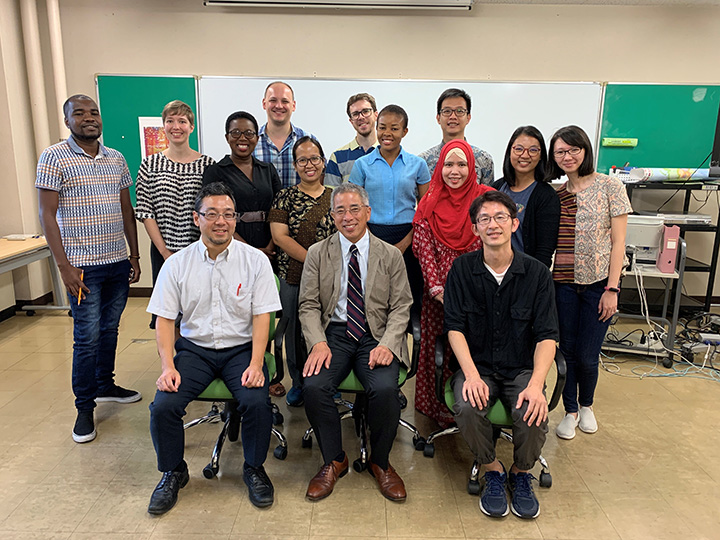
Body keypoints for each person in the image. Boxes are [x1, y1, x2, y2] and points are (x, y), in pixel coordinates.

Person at [146, 182, 281, 515]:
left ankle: (254, 468)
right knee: (163, 405)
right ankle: (173, 471)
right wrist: (168, 367)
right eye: (212, 214)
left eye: (228, 214)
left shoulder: (255, 261)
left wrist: (256, 363)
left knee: (256, 401)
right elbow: (164, 320)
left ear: (235, 219)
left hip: (241, 350)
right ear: (197, 218)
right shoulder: (177, 264)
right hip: (196, 351)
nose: (221, 221)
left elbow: (262, 316)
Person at [444, 190, 559, 519]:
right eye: (484, 219)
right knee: (467, 406)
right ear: (475, 229)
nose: (492, 225)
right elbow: (454, 328)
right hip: (477, 366)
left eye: (500, 218)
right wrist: (470, 375)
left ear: (514, 224)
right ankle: (492, 469)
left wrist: (536, 384)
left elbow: (548, 335)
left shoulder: (537, 274)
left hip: (521, 368)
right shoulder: (461, 270)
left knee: (532, 411)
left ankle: (521, 473)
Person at [36, 94, 142, 444]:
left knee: (109, 329)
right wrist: (63, 266)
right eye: (79, 113)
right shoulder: (54, 157)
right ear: (67, 120)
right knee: (86, 337)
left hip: (116, 262)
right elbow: (47, 215)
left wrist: (134, 255)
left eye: (93, 112)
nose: (89, 118)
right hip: (82, 268)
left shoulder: (116, 158)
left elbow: (126, 210)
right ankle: (84, 407)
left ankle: (105, 384)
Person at [298, 183, 412, 503]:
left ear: (367, 213)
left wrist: (388, 343)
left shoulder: (390, 254)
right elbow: (308, 305)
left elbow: (402, 306)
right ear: (332, 216)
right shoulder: (318, 253)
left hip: (376, 334)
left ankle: (381, 461)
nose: (347, 217)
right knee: (314, 386)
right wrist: (318, 342)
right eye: (340, 211)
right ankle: (334, 459)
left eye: (354, 209)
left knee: (385, 389)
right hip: (333, 333)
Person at [547, 125, 631, 441]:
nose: (567, 156)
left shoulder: (610, 186)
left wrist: (613, 288)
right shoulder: (556, 194)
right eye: (560, 152)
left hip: (599, 284)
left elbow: (619, 243)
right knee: (567, 350)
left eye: (573, 149)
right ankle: (569, 411)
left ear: (585, 150)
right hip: (563, 283)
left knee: (587, 353)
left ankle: (587, 405)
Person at [412, 140, 494, 428]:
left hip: (479, 297)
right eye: (448, 164)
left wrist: (471, 295)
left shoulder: (485, 200)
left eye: (462, 164)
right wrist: (439, 291)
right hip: (438, 298)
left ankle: (475, 406)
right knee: (439, 349)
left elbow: (493, 245)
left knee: (475, 349)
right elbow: (423, 250)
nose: (454, 171)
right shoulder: (429, 201)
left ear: (472, 167)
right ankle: (437, 407)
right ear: (440, 167)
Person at [135, 100, 214, 329]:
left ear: (191, 127)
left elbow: (211, 211)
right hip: (163, 250)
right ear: (164, 126)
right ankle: (168, 353)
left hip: (199, 251)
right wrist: (165, 253)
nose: (176, 126)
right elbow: (145, 211)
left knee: (197, 311)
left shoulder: (207, 165)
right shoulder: (149, 165)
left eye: (182, 121)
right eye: (170, 121)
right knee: (167, 313)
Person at [269, 136, 336, 407]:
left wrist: (326, 268)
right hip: (293, 275)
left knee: (331, 327)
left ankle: (329, 380)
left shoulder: (336, 196)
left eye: (315, 158)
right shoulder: (284, 197)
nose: (310, 165)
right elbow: (279, 237)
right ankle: (298, 382)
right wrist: (314, 262)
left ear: (323, 162)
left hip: (333, 276)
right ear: (295, 165)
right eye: (303, 160)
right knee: (295, 330)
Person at [348, 104, 430, 317]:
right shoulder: (362, 165)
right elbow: (354, 209)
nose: (387, 133)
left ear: (405, 131)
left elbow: (425, 211)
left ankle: (407, 336)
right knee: (373, 296)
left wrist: (405, 243)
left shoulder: (418, 165)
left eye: (394, 128)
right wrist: (369, 239)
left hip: (409, 237)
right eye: (382, 127)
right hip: (371, 235)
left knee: (408, 296)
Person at [492, 126, 560, 268]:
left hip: (525, 273)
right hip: (492, 269)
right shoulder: (496, 188)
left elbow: (544, 251)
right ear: (510, 151)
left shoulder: (546, 196)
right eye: (519, 149)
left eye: (533, 150)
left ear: (541, 156)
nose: (525, 155)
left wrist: (532, 278)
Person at [418, 88, 494, 185]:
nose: (453, 116)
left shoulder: (483, 159)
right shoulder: (423, 161)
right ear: (438, 118)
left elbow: (488, 194)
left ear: (468, 118)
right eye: (447, 111)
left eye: (459, 111)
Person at [253, 81, 312, 189]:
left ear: (293, 106)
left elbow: (320, 179)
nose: (279, 106)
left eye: (285, 101)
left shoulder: (308, 141)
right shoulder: (252, 142)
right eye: (273, 100)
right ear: (264, 104)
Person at [325, 93, 379, 187]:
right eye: (355, 114)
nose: (361, 117)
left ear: (376, 115)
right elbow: (330, 194)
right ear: (351, 121)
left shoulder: (390, 153)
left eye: (366, 111)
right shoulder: (337, 157)